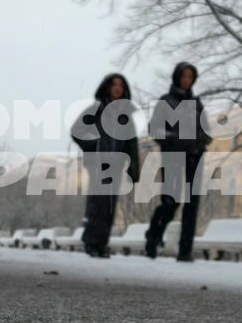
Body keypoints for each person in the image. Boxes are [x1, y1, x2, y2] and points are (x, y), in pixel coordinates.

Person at [144, 61, 211, 261]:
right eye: (183, 76)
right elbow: (155, 129)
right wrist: (174, 140)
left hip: (195, 157)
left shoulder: (196, 103)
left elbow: (205, 129)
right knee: (171, 202)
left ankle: (185, 250)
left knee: (192, 204)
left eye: (190, 77)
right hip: (173, 156)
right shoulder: (166, 101)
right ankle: (153, 237)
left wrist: (202, 143)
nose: (186, 80)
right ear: (177, 77)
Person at [72, 73, 140, 257]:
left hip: (116, 165)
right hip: (98, 163)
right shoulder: (96, 110)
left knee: (109, 205)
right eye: (114, 85)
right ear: (107, 87)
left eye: (121, 85)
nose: (117, 88)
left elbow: (132, 143)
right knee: (98, 203)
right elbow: (77, 131)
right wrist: (95, 146)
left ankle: (101, 244)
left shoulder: (126, 117)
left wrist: (134, 165)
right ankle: (91, 242)